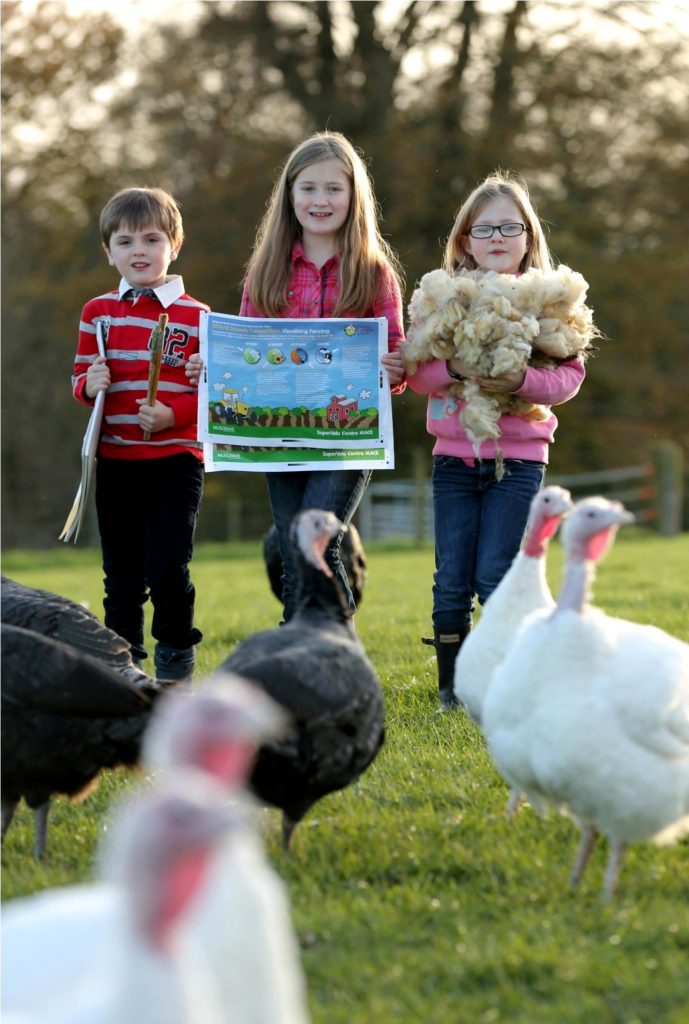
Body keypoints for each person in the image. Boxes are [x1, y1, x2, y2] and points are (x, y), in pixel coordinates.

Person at [405, 171, 587, 710]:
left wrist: (522, 381)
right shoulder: (440, 299)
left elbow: (568, 378)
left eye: (510, 227)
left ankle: (511, 677)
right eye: (484, 230)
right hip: (454, 460)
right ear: (464, 241)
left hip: (520, 461)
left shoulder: (550, 303)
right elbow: (418, 373)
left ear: (529, 236)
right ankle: (451, 689)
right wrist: (457, 367)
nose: (497, 239)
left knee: (497, 574)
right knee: (451, 578)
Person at [231, 131, 405, 622]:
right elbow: (245, 356)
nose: (320, 200)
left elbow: (395, 361)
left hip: (347, 436)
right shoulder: (266, 271)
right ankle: (299, 656)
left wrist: (396, 365)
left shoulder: (373, 272)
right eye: (308, 188)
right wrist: (215, 370)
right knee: (293, 550)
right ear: (289, 196)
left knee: (319, 543)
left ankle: (333, 652)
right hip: (280, 437)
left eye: (334, 188)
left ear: (354, 197)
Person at [71, 187, 209, 681]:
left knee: (169, 566)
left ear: (175, 244)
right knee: (122, 575)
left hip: (176, 460)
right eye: (125, 242)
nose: (139, 252)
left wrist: (174, 415)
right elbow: (79, 381)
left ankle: (176, 665)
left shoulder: (198, 317)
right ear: (109, 252)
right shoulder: (96, 312)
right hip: (115, 461)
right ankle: (122, 669)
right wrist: (90, 383)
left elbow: (214, 397)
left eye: (152, 239)